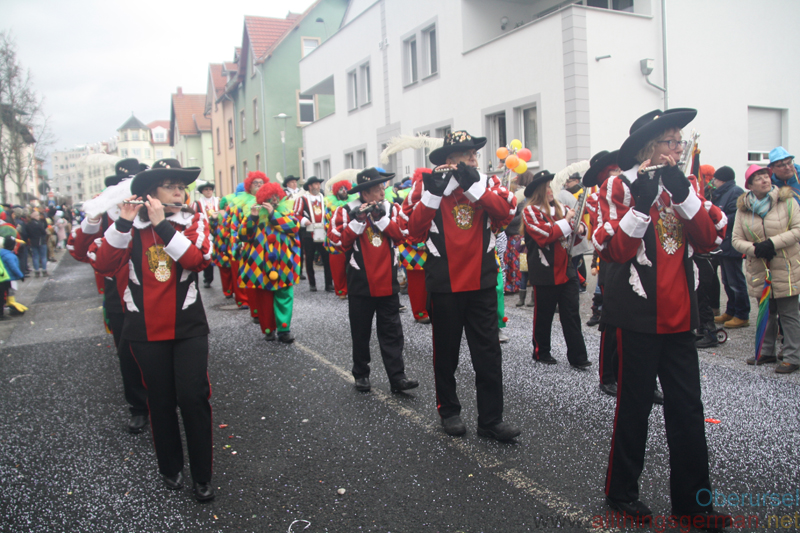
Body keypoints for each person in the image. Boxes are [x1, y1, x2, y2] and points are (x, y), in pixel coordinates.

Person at [593, 108, 731, 529]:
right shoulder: (617, 184)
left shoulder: (686, 184)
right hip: (637, 314)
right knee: (634, 407)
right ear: (649, 146)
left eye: (680, 141)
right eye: (671, 141)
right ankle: (621, 493)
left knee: (688, 409)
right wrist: (640, 204)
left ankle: (694, 506)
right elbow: (615, 251)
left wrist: (684, 196)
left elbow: (708, 242)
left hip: (679, 314)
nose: (678, 148)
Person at [90, 159, 215, 502]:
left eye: (181, 185)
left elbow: (196, 260)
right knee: (160, 402)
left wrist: (163, 226)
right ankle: (170, 467)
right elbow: (101, 263)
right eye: (170, 185)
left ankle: (202, 475)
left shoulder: (192, 220)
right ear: (150, 192)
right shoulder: (127, 227)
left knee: (193, 397)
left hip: (188, 325)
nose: (179, 191)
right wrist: (123, 221)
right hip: (143, 328)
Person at [406, 130, 520, 442]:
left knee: (488, 354)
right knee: (446, 353)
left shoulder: (486, 183)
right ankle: (449, 411)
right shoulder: (425, 184)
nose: (473, 159)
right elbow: (413, 231)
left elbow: (506, 214)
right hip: (444, 283)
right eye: (467, 154)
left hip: (482, 280)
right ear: (449, 159)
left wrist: (476, 188)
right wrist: (432, 194)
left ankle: (491, 420)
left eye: (474, 153)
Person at [69, 159, 150, 434]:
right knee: (127, 350)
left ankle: (164, 398)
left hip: (154, 286)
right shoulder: (105, 205)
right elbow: (79, 251)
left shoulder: (154, 201)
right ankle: (139, 406)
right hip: (117, 288)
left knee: (162, 345)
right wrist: (92, 218)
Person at [329, 168, 419, 394]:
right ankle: (361, 374)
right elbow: (338, 243)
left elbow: (402, 235)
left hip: (388, 282)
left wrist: (381, 219)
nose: (383, 192)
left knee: (392, 333)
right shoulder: (345, 211)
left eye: (383, 188)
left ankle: (397, 378)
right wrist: (357, 221)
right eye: (378, 189)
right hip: (360, 283)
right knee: (360, 332)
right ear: (366, 193)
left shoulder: (392, 208)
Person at [732, 165, 800, 374]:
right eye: (758, 178)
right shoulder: (743, 209)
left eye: (766, 176)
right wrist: (754, 249)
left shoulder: (787, 201)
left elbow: (797, 230)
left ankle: (792, 356)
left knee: (788, 314)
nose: (765, 180)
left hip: (786, 266)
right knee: (767, 312)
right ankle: (766, 352)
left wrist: (772, 244)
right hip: (760, 267)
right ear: (750, 185)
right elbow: (735, 240)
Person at [522, 170, 591, 369]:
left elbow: (578, 227)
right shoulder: (531, 211)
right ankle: (541, 352)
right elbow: (546, 235)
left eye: (551, 186)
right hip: (545, 270)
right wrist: (568, 222)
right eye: (547, 188)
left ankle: (578, 357)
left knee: (571, 313)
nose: (551, 191)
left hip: (567, 268)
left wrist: (579, 228)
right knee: (544, 315)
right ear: (539, 191)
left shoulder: (562, 208)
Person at [238, 180, 300, 343]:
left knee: (284, 295)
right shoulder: (254, 213)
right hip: (259, 263)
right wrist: (252, 217)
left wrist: (274, 214)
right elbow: (243, 235)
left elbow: (293, 228)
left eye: (276, 196)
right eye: (270, 197)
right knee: (264, 297)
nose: (274, 200)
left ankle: (284, 330)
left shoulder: (286, 212)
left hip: (283, 262)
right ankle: (268, 329)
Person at [710, 166, 749, 329]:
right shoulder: (723, 193)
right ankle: (731, 311)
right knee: (727, 281)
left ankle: (742, 314)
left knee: (736, 281)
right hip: (724, 244)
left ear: (722, 180)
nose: (713, 182)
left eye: (715, 180)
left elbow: (737, 216)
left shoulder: (734, 192)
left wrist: (719, 217)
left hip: (732, 243)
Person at [294, 176, 333, 292]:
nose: (318, 186)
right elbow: (296, 214)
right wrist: (304, 221)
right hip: (308, 233)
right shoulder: (302, 200)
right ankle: (312, 283)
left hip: (323, 232)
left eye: (318, 184)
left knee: (327, 259)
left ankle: (329, 284)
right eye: (315, 184)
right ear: (310, 186)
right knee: (309, 258)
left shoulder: (325, 199)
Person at [557, 172, 591, 292]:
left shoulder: (561, 196)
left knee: (573, 269)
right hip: (577, 234)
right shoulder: (566, 193)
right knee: (576, 266)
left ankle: (576, 289)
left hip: (574, 237)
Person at [324, 177, 355, 300]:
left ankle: (351, 288)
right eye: (341, 188)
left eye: (345, 188)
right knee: (337, 267)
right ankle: (341, 290)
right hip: (334, 241)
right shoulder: (330, 206)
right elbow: (326, 222)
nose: (343, 190)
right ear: (336, 191)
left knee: (352, 265)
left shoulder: (353, 204)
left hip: (349, 239)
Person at [192, 181, 219, 289]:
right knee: (208, 254)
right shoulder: (198, 203)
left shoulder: (218, 201)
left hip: (218, 231)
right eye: (206, 189)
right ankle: (208, 278)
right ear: (202, 191)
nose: (208, 191)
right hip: (206, 231)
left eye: (210, 189)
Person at [23, 210, 48, 277]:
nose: (39, 217)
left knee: (35, 257)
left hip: (33, 242)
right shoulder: (39, 223)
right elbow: (44, 232)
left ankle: (36, 271)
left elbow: (26, 234)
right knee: (43, 256)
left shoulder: (28, 224)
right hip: (41, 241)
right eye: (37, 215)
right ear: (35, 216)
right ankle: (44, 270)